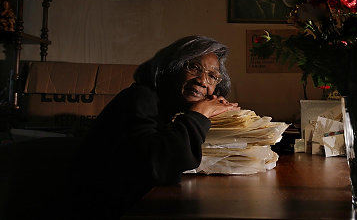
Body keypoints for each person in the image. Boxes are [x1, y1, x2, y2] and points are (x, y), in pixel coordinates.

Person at [67, 36, 239, 219]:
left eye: (212, 76)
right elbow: (159, 165)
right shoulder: (139, 97)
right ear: (171, 67)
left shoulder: (171, 108)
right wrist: (198, 115)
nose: (202, 81)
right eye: (194, 67)